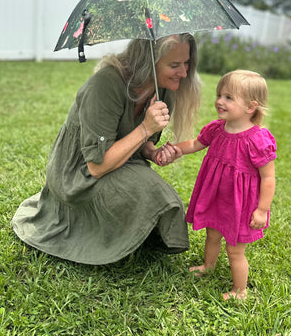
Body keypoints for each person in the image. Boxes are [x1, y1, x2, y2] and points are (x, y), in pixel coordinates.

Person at [12, 33, 202, 265]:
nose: (183, 73)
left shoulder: (162, 90)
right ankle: (92, 229)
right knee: (154, 194)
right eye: (174, 65)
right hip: (79, 173)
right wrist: (144, 128)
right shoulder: (105, 85)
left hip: (120, 162)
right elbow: (96, 166)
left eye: (186, 63)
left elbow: (141, 144)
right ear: (148, 62)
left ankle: (123, 232)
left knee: (162, 197)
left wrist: (152, 152)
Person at [162, 70, 276, 299]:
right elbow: (195, 143)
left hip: (240, 204)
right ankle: (208, 266)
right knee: (212, 234)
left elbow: (268, 177)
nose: (219, 101)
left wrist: (262, 210)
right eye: (219, 95)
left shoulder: (257, 139)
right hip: (217, 196)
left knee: (235, 250)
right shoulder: (217, 128)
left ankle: (240, 291)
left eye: (229, 97)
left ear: (250, 107)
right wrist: (177, 150)